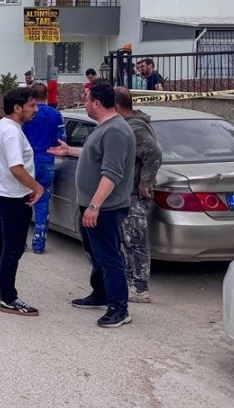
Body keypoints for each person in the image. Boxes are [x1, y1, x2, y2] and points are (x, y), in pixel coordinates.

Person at [48, 82, 136, 328]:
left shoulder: (116, 131)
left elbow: (112, 174)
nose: (84, 104)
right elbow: (94, 155)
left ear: (97, 103)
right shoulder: (104, 127)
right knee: (96, 254)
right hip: (92, 206)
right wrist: (69, 150)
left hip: (106, 209)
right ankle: (100, 294)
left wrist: (95, 207)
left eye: (86, 100)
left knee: (109, 257)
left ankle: (119, 309)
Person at [0, 87, 46, 316]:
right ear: (17, 108)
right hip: (12, 198)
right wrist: (37, 187)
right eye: (32, 105)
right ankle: (9, 299)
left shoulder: (1, 126)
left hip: (0, 194)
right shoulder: (11, 132)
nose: (36, 110)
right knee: (13, 248)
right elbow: (16, 168)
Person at [114, 86, 162, 303]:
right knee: (126, 239)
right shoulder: (132, 123)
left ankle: (140, 288)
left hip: (135, 193)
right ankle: (129, 281)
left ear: (116, 106)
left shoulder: (134, 127)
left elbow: (154, 153)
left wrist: (145, 183)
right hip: (128, 191)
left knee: (137, 240)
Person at [22, 82, 65, 254]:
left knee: (23, 200)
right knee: (42, 202)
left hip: (27, 162)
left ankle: (20, 241)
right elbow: (61, 140)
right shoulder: (55, 114)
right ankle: (39, 244)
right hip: (47, 162)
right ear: (47, 96)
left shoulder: (27, 113)